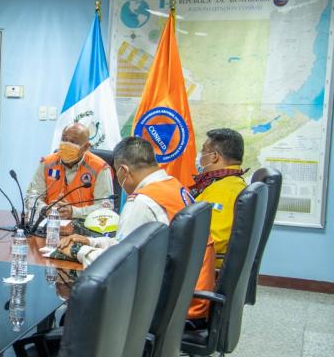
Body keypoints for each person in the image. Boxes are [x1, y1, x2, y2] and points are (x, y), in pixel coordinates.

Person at [59, 136, 216, 322]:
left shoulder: (142, 203)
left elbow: (122, 265)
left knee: (70, 313)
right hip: (192, 293)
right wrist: (92, 241)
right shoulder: (174, 187)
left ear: (124, 170)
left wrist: (78, 251)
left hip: (169, 306)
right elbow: (132, 246)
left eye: (116, 173)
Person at [27, 122, 114, 220]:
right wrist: (45, 209)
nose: (67, 145)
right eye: (64, 140)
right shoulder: (47, 163)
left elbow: (106, 208)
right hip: (49, 223)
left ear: (86, 147)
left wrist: (74, 212)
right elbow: (31, 197)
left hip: (83, 227)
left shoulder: (100, 168)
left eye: (74, 142)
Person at [190, 128, 247, 268]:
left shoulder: (223, 190)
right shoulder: (230, 181)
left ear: (214, 156)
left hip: (204, 269)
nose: (199, 156)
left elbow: (215, 240)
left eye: (203, 151)